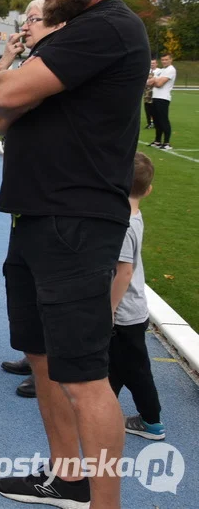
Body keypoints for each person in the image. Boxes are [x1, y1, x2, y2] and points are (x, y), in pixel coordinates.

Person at [0, 0, 150, 508]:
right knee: (44, 356)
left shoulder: (107, 28)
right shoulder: (73, 32)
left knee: (83, 374)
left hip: (76, 221)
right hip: (37, 216)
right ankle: (69, 477)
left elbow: (2, 98)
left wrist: (9, 91)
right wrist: (9, 93)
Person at [0, 0, 66, 400]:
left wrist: (5, 86)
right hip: (24, 200)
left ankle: (48, 365)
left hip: (52, 201)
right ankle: (34, 354)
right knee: (21, 284)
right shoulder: (27, 64)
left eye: (34, 19)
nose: (25, 27)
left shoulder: (56, 65)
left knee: (49, 289)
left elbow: (2, 107)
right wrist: (8, 60)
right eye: (24, 20)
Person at [109, 152, 165, 441]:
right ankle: (103, 410)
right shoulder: (133, 216)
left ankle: (152, 421)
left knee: (135, 369)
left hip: (124, 313)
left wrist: (110, 311)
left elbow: (124, 273)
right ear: (148, 190)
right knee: (116, 364)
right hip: (130, 312)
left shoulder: (124, 225)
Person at [147, 52, 176, 150]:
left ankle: (167, 142)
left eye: (166, 59)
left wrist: (154, 80)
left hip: (163, 98)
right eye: (163, 60)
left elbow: (159, 84)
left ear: (171, 60)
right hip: (154, 97)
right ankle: (157, 141)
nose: (164, 61)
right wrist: (155, 80)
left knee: (163, 120)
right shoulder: (161, 71)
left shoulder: (171, 70)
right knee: (156, 120)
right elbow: (148, 83)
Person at [142, 59, 156, 129]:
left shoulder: (158, 71)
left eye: (153, 63)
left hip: (154, 94)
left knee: (153, 109)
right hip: (146, 94)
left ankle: (154, 122)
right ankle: (149, 123)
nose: (152, 64)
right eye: (151, 63)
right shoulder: (147, 71)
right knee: (147, 109)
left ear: (156, 64)